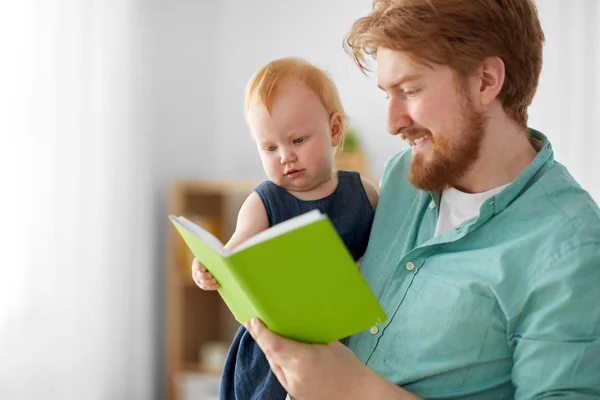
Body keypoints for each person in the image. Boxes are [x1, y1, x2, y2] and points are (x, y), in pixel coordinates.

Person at [242, 1, 600, 399]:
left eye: (409, 90)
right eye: (387, 95)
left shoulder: (571, 247)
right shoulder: (401, 177)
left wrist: (355, 390)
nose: (393, 122)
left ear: (485, 80)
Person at [191, 56, 379, 399]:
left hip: (346, 340)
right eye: (270, 147)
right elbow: (232, 253)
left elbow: (385, 251)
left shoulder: (364, 193)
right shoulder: (264, 201)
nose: (285, 157)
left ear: (335, 129)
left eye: (298, 140)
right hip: (274, 347)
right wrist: (207, 268)